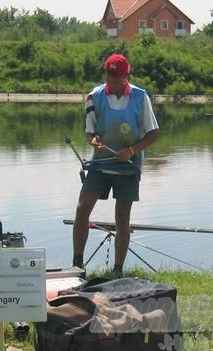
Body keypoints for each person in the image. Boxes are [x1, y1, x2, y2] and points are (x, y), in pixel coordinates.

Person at [72, 53, 160, 277]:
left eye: (117, 79)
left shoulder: (141, 97)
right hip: (99, 164)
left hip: (128, 166)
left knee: (122, 217)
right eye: (109, 79)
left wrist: (131, 151)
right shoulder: (94, 96)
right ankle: (77, 265)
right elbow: (90, 130)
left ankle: (118, 270)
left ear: (126, 76)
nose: (112, 83)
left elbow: (153, 133)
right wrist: (93, 141)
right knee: (82, 209)